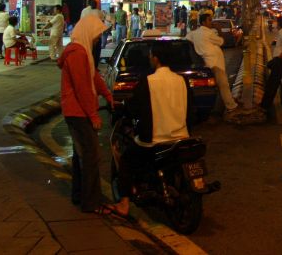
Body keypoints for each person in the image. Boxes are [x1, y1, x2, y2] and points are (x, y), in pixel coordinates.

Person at [111, 42, 193, 218]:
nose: (149, 58)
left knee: (125, 159)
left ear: (155, 58)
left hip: (155, 140)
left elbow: (134, 107)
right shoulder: (182, 81)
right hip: (181, 138)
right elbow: (191, 110)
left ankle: (124, 203)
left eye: (150, 55)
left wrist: (123, 108)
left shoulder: (148, 82)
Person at [57, 15, 114, 214]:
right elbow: (82, 86)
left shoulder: (83, 52)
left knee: (81, 155)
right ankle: (92, 202)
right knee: (91, 156)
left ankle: (79, 195)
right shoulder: (77, 53)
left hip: (77, 111)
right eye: (97, 35)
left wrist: (107, 95)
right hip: (77, 112)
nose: (98, 39)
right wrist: (94, 115)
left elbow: (93, 77)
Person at [188, 13, 239, 119]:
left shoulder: (195, 33)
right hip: (215, 63)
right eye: (209, 20)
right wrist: (219, 30)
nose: (211, 22)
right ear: (203, 22)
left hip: (207, 63)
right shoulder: (209, 33)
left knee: (213, 87)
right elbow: (221, 41)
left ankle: (219, 107)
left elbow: (187, 39)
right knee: (223, 85)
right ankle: (231, 106)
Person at [262, 15, 282, 110]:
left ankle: (265, 106)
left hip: (280, 61)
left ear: (280, 23)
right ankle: (270, 103)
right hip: (280, 60)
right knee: (276, 82)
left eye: (277, 22)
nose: (275, 23)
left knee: (272, 83)